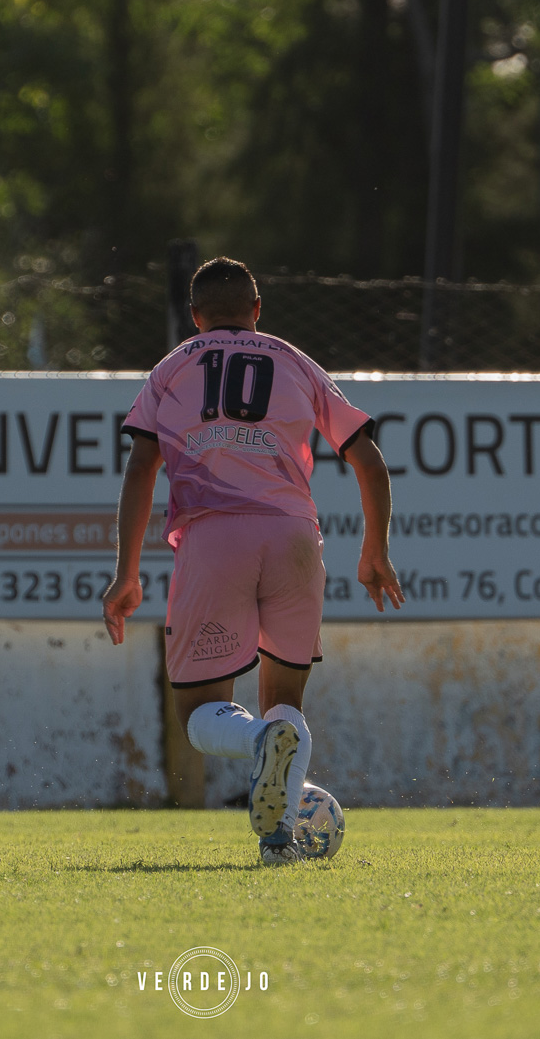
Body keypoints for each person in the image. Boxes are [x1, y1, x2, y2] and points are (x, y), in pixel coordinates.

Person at [102, 257, 404, 865]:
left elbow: (142, 466)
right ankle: (277, 841)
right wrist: (375, 551)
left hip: (215, 540)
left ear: (194, 318)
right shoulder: (294, 361)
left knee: (199, 711)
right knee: (286, 701)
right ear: (258, 310)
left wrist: (126, 573)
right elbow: (368, 461)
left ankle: (260, 741)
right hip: (295, 536)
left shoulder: (171, 367)